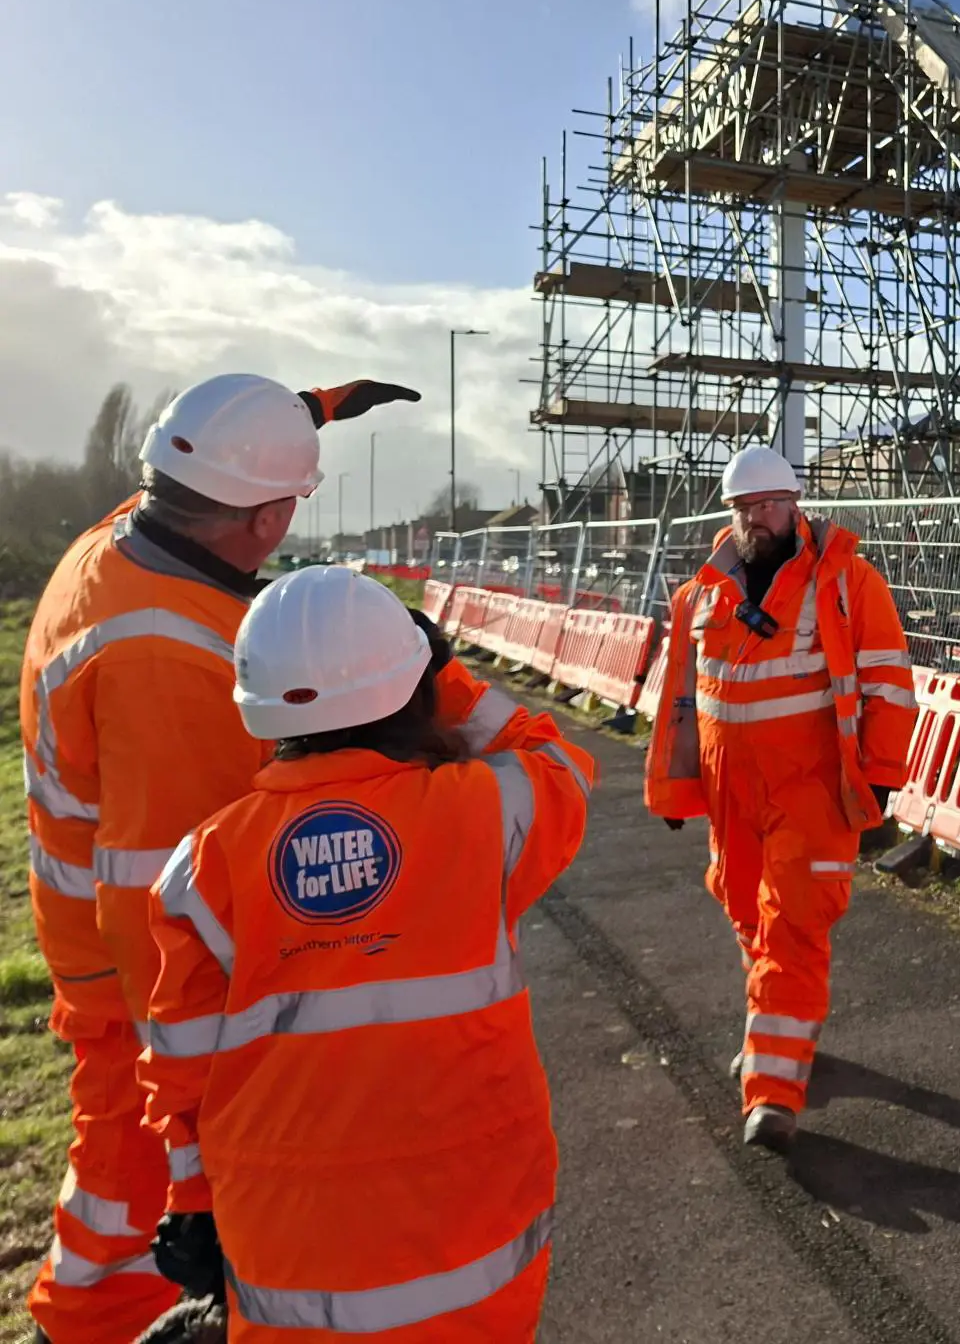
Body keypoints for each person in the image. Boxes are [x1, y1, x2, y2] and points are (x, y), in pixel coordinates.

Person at [18, 373, 417, 1343]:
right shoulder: (170, 660)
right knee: (134, 1213)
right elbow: (166, 905)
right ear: (267, 517)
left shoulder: (134, 533)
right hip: (141, 1000)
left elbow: (215, 455)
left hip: (95, 956)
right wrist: (195, 1107)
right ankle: (91, 1325)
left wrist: (312, 408)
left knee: (115, 1191)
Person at [136, 565, 593, 1338]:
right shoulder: (483, 811)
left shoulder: (203, 867)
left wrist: (192, 1203)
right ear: (413, 688)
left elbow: (182, 1067)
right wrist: (449, 678)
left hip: (287, 1253)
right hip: (474, 1235)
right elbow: (559, 763)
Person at [644, 445, 916, 1152]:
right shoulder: (702, 594)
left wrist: (882, 773)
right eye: (746, 507)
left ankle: (772, 1091)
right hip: (729, 792)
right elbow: (680, 700)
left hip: (811, 792)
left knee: (792, 926)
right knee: (747, 914)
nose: (758, 518)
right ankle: (775, 1033)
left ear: (795, 506)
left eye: (770, 504)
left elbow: (889, 682)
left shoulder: (848, 582)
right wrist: (672, 784)